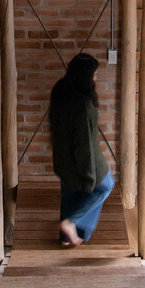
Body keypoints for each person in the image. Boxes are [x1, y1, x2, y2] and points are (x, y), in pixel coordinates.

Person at [49, 53, 115, 246]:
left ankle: (65, 238)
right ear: (85, 76)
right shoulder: (83, 106)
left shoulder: (60, 89)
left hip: (62, 160)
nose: (96, 78)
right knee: (105, 187)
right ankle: (70, 223)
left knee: (70, 193)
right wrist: (88, 177)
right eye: (94, 74)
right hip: (85, 162)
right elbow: (84, 144)